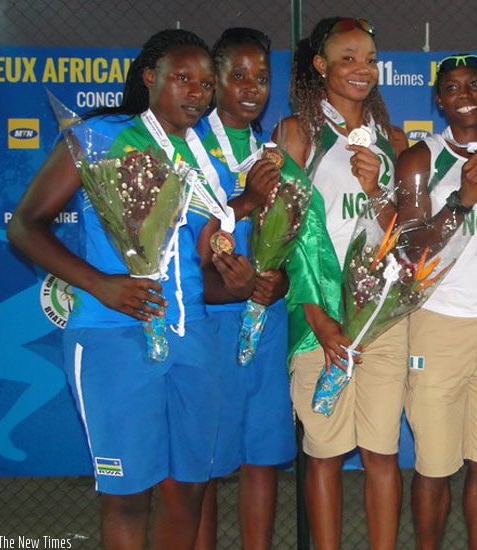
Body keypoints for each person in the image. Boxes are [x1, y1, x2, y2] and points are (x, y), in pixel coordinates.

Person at [6, 29, 232, 548]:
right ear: (150, 78)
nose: (197, 93)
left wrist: (234, 275)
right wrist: (101, 285)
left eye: (205, 83)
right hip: (112, 336)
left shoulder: (209, 160)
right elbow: (25, 225)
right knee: (127, 495)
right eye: (183, 78)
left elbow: (202, 261)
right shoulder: (99, 136)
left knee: (188, 492)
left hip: (192, 336)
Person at [274, 17, 408, 550]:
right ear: (321, 66)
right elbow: (285, 234)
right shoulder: (297, 133)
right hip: (319, 320)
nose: (362, 69)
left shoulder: (394, 140)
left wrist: (378, 189)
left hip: (381, 318)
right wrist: (318, 317)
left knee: (381, 453)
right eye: (347, 58)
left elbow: (405, 231)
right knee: (324, 452)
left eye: (370, 59)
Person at [395, 54, 477, 550]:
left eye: (475, 85)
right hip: (438, 322)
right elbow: (408, 248)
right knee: (434, 466)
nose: (464, 94)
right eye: (452, 87)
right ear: (439, 99)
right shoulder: (420, 159)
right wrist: (463, 200)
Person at [193, 27, 298, 550]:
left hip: (265, 320)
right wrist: (247, 199)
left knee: (262, 456)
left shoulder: (271, 154)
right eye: (238, 76)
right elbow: (179, 244)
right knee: (207, 462)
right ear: (215, 81)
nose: (252, 88)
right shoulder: (188, 148)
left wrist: (279, 281)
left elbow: (296, 240)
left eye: (261, 77)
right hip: (210, 322)